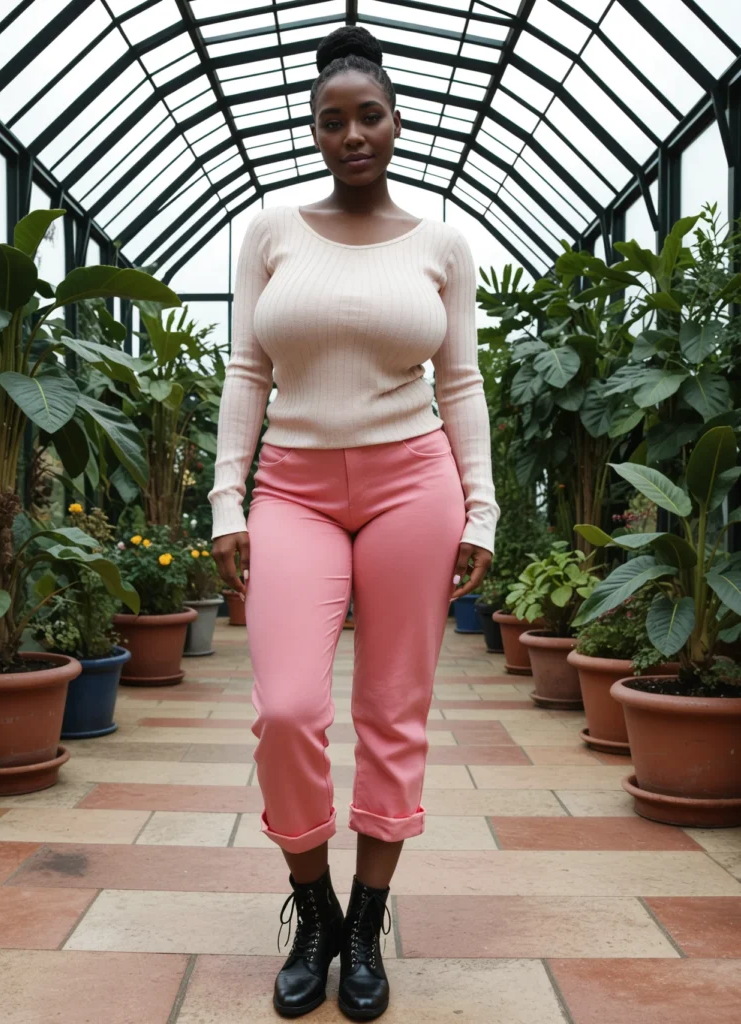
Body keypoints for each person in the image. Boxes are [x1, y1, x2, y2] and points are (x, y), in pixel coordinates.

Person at [209, 24, 499, 1021]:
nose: (350, 134)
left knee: (391, 710)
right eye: (330, 120)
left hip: (413, 484)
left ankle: (368, 921)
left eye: (366, 115)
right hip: (290, 486)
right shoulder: (270, 234)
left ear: (395, 121)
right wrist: (224, 497)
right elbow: (247, 371)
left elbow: (459, 384)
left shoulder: (441, 244)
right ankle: (314, 903)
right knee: (286, 706)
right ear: (315, 132)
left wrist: (482, 506)